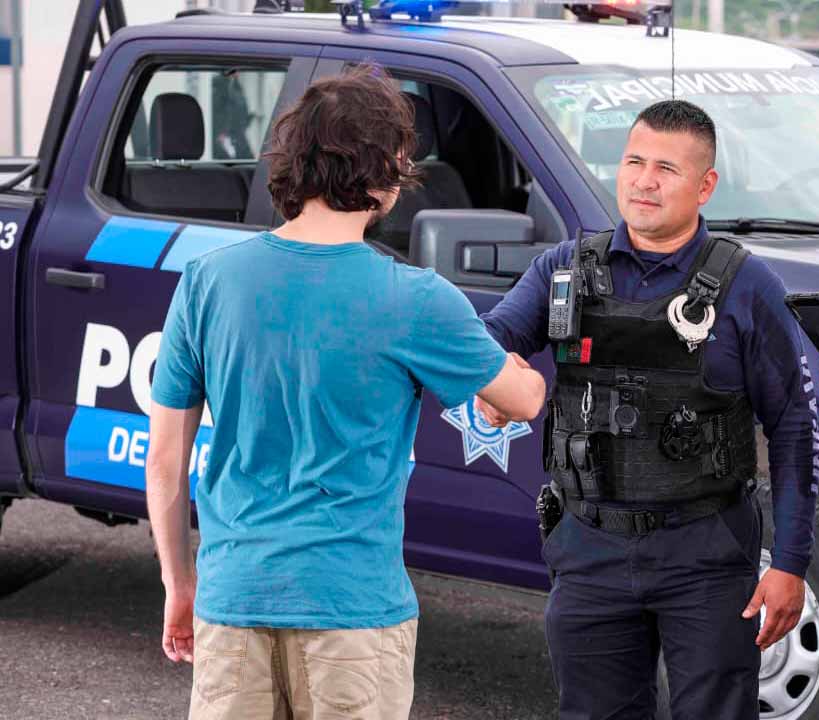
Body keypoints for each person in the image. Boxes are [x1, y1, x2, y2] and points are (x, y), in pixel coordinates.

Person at [144, 64, 545, 720]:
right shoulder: (416, 299)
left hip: (233, 597)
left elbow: (164, 460)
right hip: (353, 610)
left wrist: (179, 582)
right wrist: (515, 370)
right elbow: (523, 399)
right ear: (387, 169)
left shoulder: (206, 282)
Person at [479, 100, 819, 719]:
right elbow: (491, 341)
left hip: (706, 553)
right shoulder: (565, 269)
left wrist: (791, 563)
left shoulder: (748, 286)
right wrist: (496, 380)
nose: (643, 180)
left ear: (705, 185)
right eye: (634, 161)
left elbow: (794, 428)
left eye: (666, 167)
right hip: (588, 545)